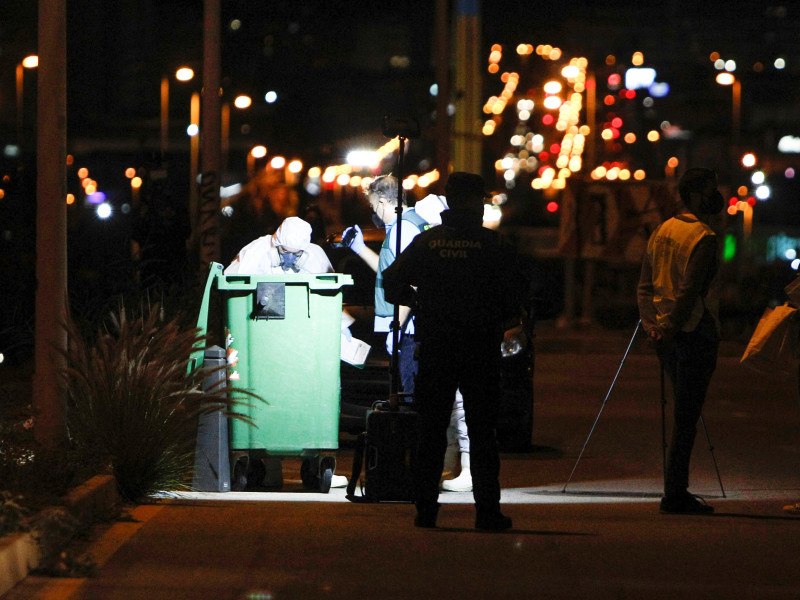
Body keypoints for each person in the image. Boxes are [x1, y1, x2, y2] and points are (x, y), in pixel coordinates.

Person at [382, 172, 529, 531]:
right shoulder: (493, 244)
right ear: (475, 201)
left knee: (430, 431)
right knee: (482, 433)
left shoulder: (428, 242)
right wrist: (499, 315)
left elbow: (391, 284)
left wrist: (416, 301)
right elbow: (519, 292)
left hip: (436, 347)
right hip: (480, 349)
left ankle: (426, 511)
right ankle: (487, 513)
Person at [225, 216, 351, 489]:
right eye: (285, 253)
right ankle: (266, 466)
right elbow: (230, 284)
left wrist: (345, 329)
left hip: (303, 348)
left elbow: (330, 292)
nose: (291, 259)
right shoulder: (255, 252)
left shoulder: (315, 255)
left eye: (298, 254)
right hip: (265, 345)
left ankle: (310, 459)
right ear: (275, 242)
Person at [637, 167, 725, 515]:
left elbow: (644, 286)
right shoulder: (703, 237)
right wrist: (670, 329)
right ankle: (675, 493)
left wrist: (653, 328)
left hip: (666, 335)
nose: (715, 196)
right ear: (696, 194)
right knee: (686, 417)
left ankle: (676, 490)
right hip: (694, 334)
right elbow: (690, 293)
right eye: (710, 190)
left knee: (683, 412)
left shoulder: (662, 230)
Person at [341, 175, 436, 399]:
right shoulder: (408, 225)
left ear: (383, 202)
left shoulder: (403, 230)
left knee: (410, 398)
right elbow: (392, 272)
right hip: (411, 329)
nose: (374, 212)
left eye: (374, 206)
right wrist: (360, 249)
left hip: (410, 332)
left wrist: (396, 328)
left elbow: (411, 283)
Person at [225, 216, 333, 275]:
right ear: (276, 244)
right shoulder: (256, 250)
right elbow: (232, 279)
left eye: (296, 254)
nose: (290, 257)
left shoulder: (316, 255)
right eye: (284, 251)